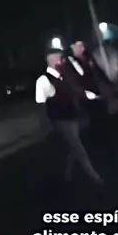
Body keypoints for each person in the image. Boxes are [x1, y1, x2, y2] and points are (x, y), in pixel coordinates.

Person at [35, 47, 103, 186]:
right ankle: (94, 177)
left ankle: (67, 174)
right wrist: (45, 126)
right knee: (78, 147)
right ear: (52, 60)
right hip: (61, 120)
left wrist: (92, 96)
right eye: (60, 58)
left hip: (72, 115)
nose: (64, 61)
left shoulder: (64, 76)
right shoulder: (43, 81)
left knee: (73, 146)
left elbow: (76, 90)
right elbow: (41, 106)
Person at [67, 40, 114, 131]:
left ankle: (107, 129)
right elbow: (73, 82)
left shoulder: (88, 57)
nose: (81, 48)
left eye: (82, 46)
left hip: (96, 90)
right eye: (77, 46)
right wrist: (83, 93)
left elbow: (98, 71)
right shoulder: (72, 63)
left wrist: (108, 83)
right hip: (85, 96)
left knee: (103, 112)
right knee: (93, 118)